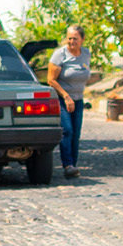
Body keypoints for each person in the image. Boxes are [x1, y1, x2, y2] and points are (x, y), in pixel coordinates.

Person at [46, 25, 92, 177]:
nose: (72, 42)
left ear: (82, 40)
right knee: (67, 130)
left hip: (78, 100)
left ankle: (73, 165)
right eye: (69, 38)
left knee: (76, 133)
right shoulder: (60, 55)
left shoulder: (86, 54)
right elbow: (51, 80)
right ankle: (67, 165)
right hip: (62, 99)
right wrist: (66, 96)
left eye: (75, 39)